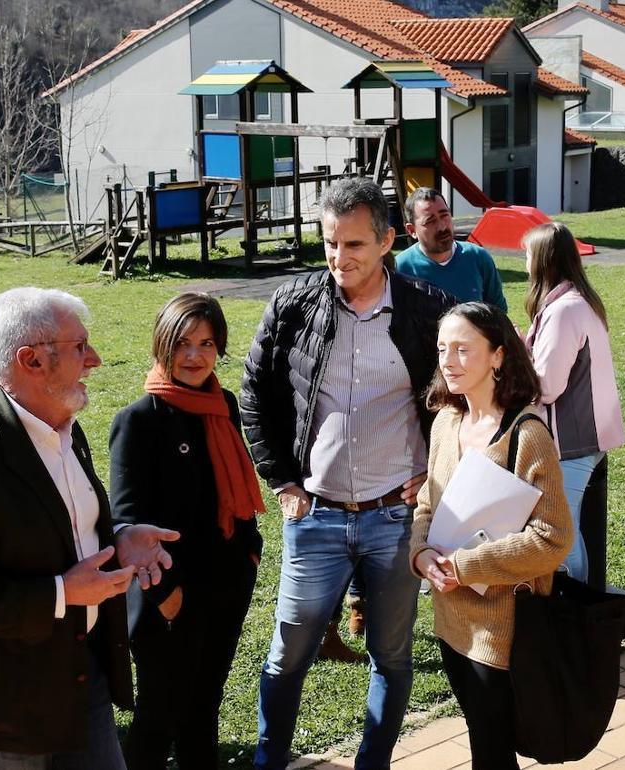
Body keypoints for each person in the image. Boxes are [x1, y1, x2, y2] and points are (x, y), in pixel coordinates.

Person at [0, 287, 179, 768]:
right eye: (79, 347)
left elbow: (55, 526)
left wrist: (117, 540)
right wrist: (61, 593)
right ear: (30, 360)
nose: (95, 359)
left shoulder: (62, 425)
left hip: (75, 671)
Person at [241, 178, 455, 770]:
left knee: (392, 656)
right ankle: (269, 761)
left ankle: (373, 763)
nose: (340, 257)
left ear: (387, 241)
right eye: (331, 243)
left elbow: (461, 400)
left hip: (397, 518)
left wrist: (433, 472)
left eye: (354, 244)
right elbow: (254, 392)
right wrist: (281, 480)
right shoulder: (294, 304)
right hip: (315, 515)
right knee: (288, 656)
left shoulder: (428, 309)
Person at [409, 301, 573, 770]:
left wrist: (463, 566)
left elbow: (553, 538)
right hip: (450, 620)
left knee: (493, 751)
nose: (448, 361)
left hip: (502, 628)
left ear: (498, 355)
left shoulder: (527, 434)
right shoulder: (446, 421)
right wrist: (420, 553)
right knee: (485, 743)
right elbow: (427, 504)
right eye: (442, 349)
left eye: (463, 349)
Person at [111, 292, 266, 769]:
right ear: (162, 344)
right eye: (182, 343)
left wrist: (250, 552)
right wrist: (166, 595)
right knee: (159, 715)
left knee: (204, 706)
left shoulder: (223, 405)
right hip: (169, 596)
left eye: (206, 343)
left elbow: (234, 490)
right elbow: (125, 519)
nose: (194, 356)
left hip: (226, 583)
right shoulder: (139, 420)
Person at [522, 221, 624, 585]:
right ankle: (581, 602)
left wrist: (519, 355)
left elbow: (547, 386)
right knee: (569, 526)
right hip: (587, 435)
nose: (525, 263)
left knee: (561, 533)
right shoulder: (582, 301)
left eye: (527, 255)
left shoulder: (563, 310)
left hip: (571, 440)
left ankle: (576, 605)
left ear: (542, 261)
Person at [396, 187, 507, 310]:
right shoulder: (400, 268)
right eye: (430, 221)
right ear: (412, 230)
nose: (442, 227)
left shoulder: (478, 257)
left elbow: (498, 312)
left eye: (444, 215)